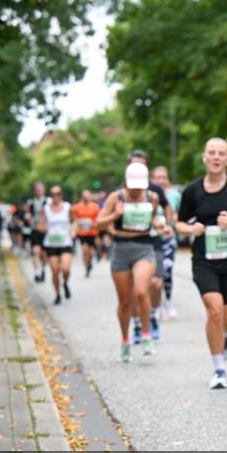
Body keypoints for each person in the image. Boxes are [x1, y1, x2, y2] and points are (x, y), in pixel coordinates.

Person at [176, 138, 227, 389]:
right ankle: (218, 369)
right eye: (212, 153)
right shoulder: (192, 191)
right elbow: (179, 223)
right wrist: (191, 229)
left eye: (221, 153)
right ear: (204, 158)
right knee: (214, 310)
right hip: (204, 261)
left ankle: (225, 337)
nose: (216, 157)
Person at [95, 162, 161, 362]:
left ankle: (146, 336)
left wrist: (162, 226)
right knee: (124, 302)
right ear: (126, 182)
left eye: (139, 186)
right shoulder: (116, 197)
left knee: (141, 291)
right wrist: (116, 214)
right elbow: (99, 222)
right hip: (121, 249)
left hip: (144, 248)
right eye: (132, 185)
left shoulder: (152, 197)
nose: (135, 190)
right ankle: (125, 340)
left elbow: (154, 220)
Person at [126, 150, 172, 343]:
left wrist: (168, 224)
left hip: (154, 242)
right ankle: (137, 324)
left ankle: (152, 315)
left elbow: (166, 206)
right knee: (137, 288)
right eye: (135, 165)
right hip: (129, 244)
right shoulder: (121, 191)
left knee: (156, 283)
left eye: (142, 165)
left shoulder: (155, 189)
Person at [37, 186, 75, 305]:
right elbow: (40, 225)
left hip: (65, 242)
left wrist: (73, 230)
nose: (55, 196)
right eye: (53, 194)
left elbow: (75, 221)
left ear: (61, 195)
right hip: (51, 243)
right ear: (50, 195)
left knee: (65, 268)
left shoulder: (68, 207)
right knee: (54, 270)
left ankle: (65, 283)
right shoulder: (46, 209)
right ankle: (57, 294)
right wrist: (43, 228)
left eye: (58, 193)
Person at [151, 166, 179, 320]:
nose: (161, 180)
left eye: (164, 177)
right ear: (153, 179)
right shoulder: (147, 195)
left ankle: (167, 301)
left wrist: (172, 222)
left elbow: (182, 214)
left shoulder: (174, 195)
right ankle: (156, 304)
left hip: (168, 239)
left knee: (167, 271)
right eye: (158, 177)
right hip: (150, 240)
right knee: (153, 274)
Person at [72, 190, 100, 277]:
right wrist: (76, 226)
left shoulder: (95, 207)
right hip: (82, 233)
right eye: (84, 196)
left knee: (90, 253)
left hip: (92, 232)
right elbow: (74, 219)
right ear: (82, 197)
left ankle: (89, 263)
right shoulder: (76, 207)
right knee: (85, 251)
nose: (86, 198)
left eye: (87, 196)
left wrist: (94, 224)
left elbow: (98, 219)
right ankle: (87, 268)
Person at [25, 182, 48, 282]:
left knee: (44, 253)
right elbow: (28, 214)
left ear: (44, 190)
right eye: (37, 189)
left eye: (40, 189)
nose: (39, 190)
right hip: (34, 230)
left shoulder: (48, 201)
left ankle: (43, 269)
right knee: (35, 251)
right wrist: (28, 218)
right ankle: (37, 272)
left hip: (46, 230)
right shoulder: (30, 202)